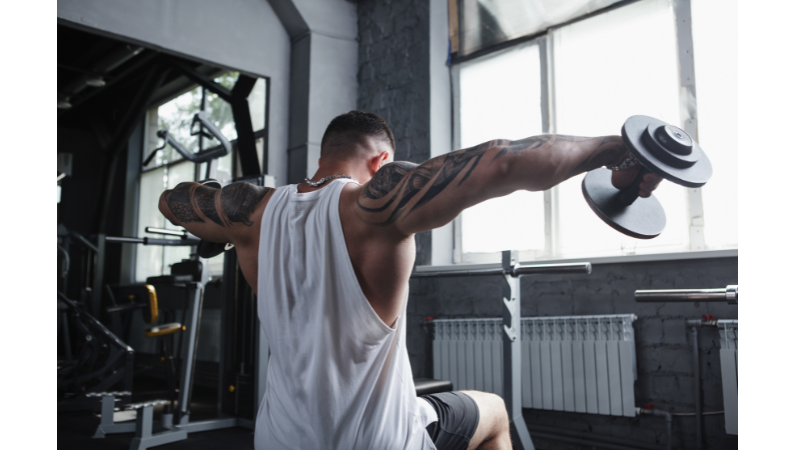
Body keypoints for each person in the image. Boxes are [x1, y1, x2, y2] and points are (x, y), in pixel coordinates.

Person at [158, 110, 661, 450]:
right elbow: (503, 161)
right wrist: (617, 149)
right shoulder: (372, 205)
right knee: (496, 414)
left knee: (457, 407)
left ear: (323, 154)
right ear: (380, 162)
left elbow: (172, 201)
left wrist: (216, 224)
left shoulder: (248, 212)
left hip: (280, 438)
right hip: (379, 440)